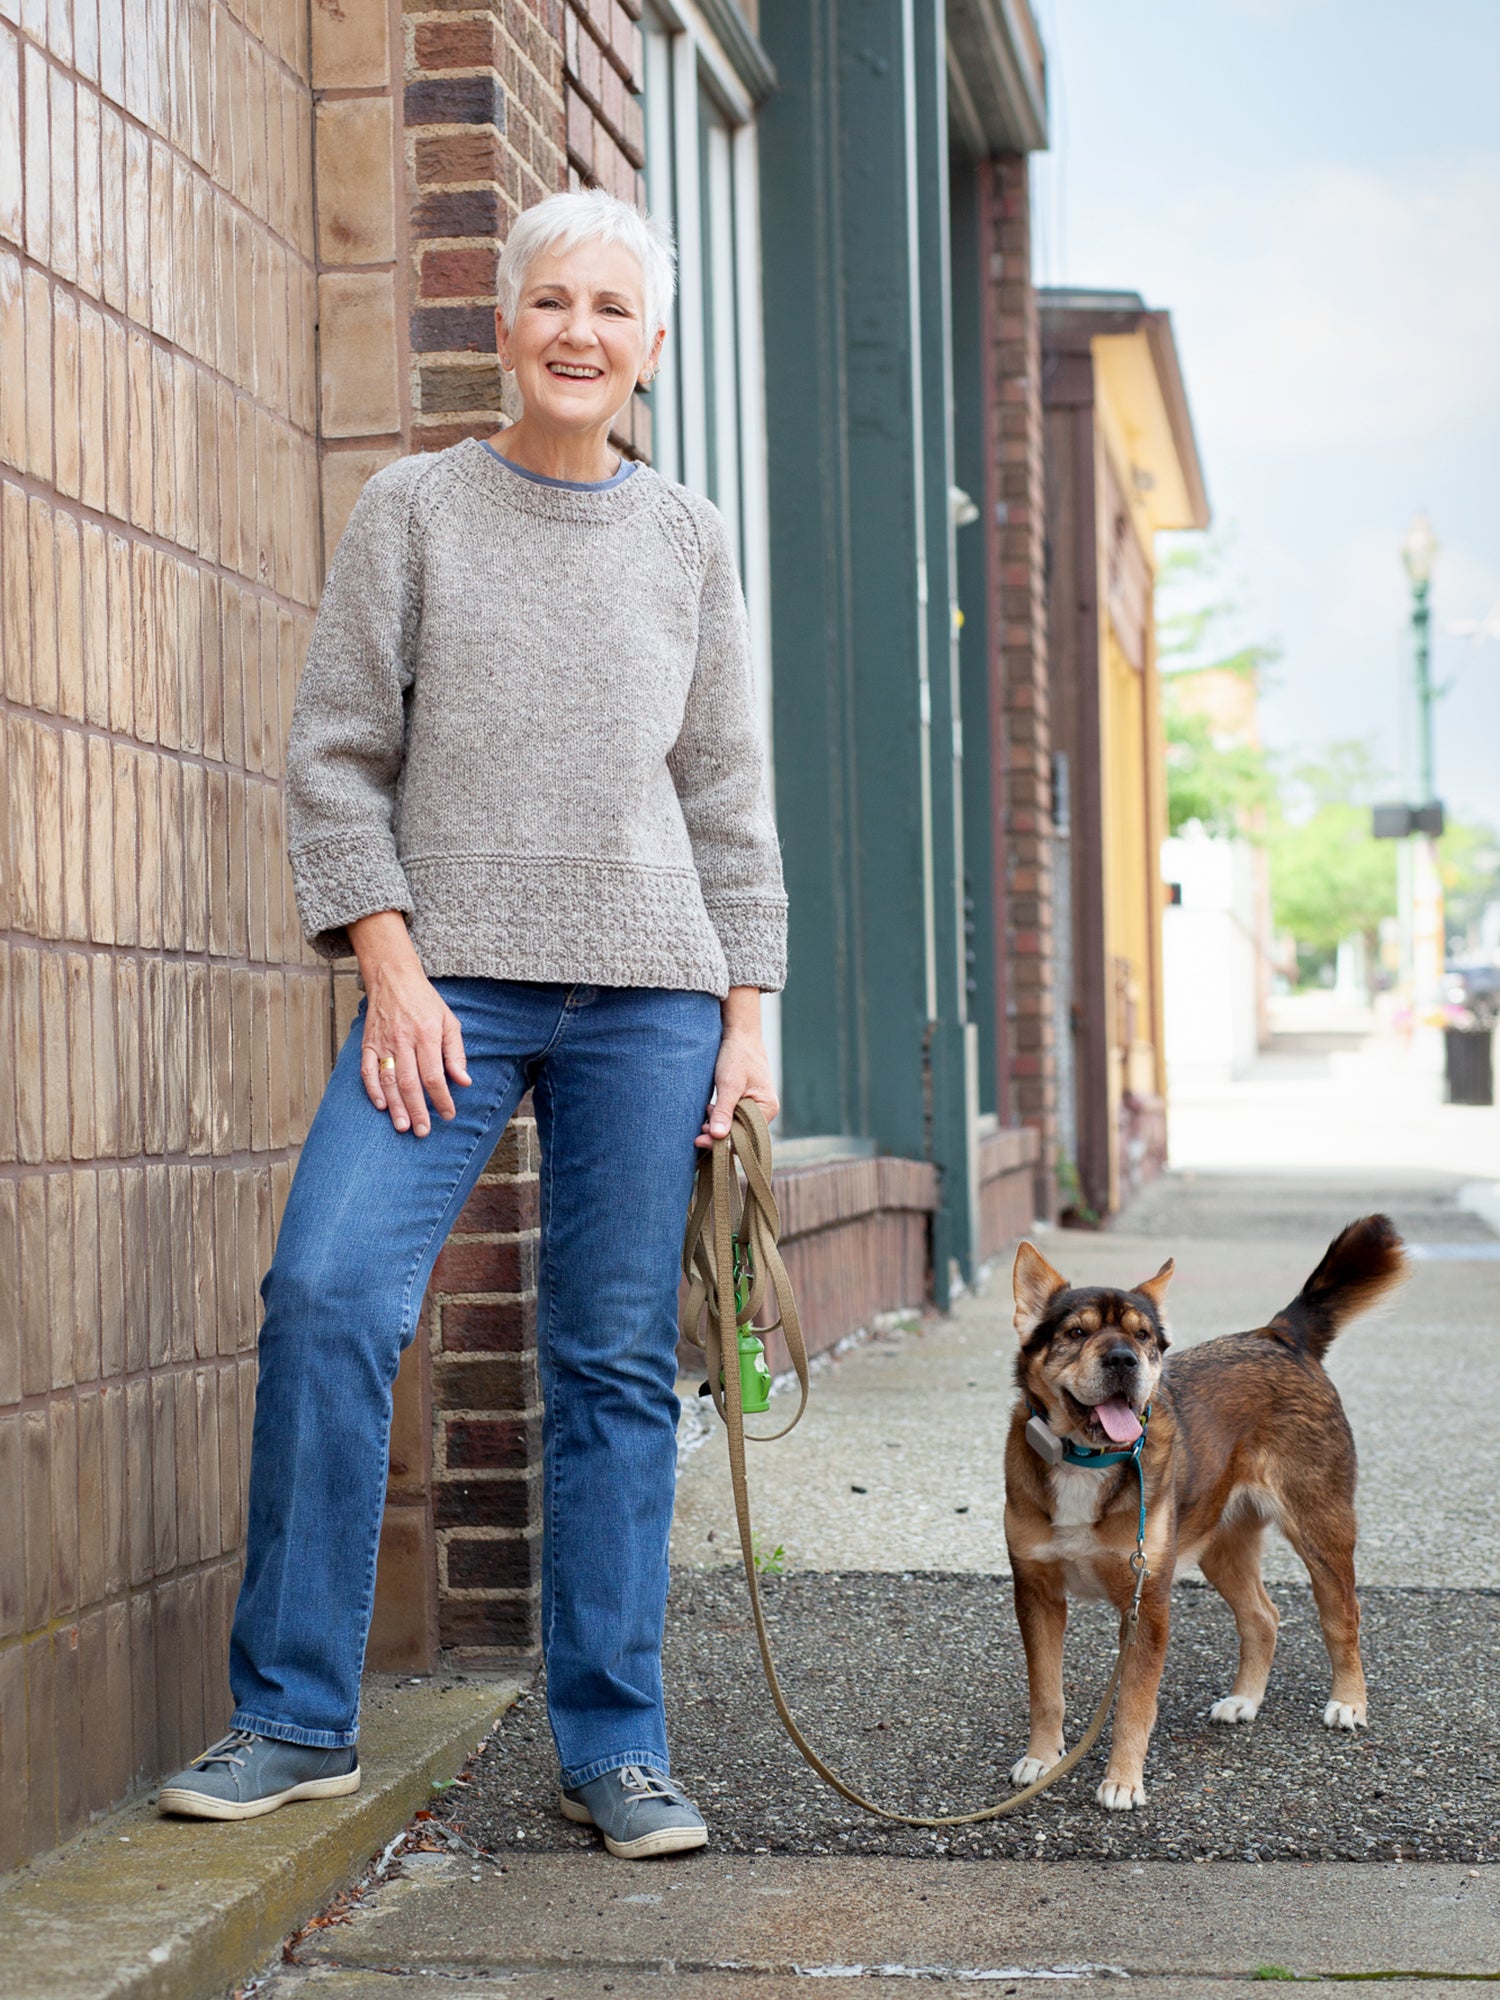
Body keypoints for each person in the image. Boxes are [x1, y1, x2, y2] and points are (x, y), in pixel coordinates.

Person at [157, 189, 787, 1859]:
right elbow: (338, 754)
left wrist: (749, 1012)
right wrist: (394, 966)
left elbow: (727, 799)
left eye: (614, 310)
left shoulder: (690, 540)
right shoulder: (414, 508)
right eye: (552, 301)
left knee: (607, 1366)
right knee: (328, 1289)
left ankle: (618, 1746)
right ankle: (295, 1720)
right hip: (449, 989)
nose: (581, 332)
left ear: (651, 349)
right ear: (504, 326)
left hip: (652, 997)